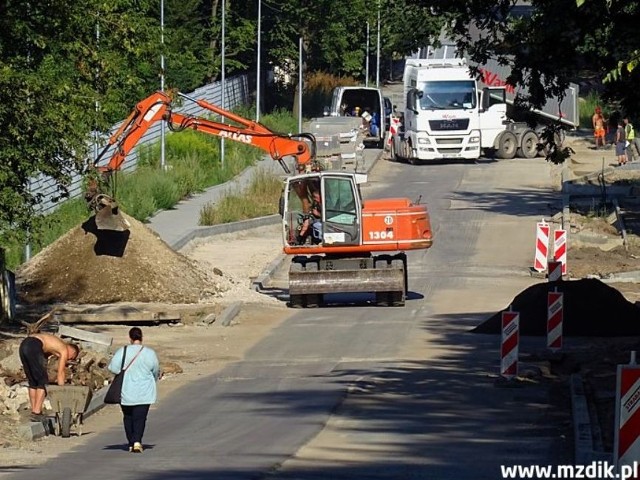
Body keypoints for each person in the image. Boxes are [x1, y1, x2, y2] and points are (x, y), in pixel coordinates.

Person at [108, 327, 160, 453]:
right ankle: (137, 441)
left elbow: (113, 368)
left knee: (128, 416)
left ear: (130, 338)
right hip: (144, 391)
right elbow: (155, 370)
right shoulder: (150, 353)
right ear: (142, 338)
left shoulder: (123, 351)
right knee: (140, 417)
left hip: (126, 390)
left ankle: (131, 441)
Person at [19, 333, 80, 421]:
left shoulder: (54, 345)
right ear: (73, 352)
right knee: (43, 382)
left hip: (24, 344)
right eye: (72, 358)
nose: (69, 360)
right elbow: (61, 372)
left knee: (33, 382)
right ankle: (36, 412)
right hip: (34, 345)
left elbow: (43, 361)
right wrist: (61, 389)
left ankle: (34, 410)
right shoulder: (64, 349)